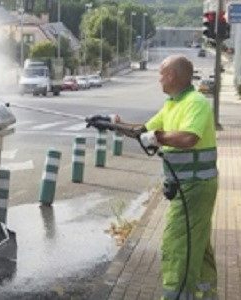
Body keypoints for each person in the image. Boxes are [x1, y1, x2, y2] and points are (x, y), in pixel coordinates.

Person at [95, 55, 219, 299]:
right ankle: (205, 293)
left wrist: (158, 138)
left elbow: (188, 138)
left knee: (177, 245)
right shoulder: (173, 104)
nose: (159, 78)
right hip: (186, 185)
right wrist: (111, 124)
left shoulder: (196, 102)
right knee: (197, 244)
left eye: (161, 74)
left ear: (172, 76)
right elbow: (143, 131)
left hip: (195, 187)